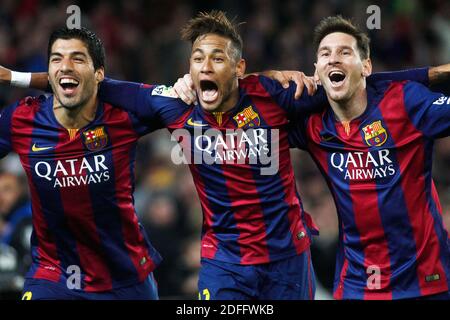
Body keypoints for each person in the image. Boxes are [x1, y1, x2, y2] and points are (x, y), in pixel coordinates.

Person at [3, 12, 446, 300]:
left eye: (218, 57)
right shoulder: (173, 105)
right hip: (225, 263)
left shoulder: (273, 94)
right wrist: (19, 78)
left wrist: (427, 74)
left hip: (287, 258)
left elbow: (349, 85)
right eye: (198, 58)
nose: (206, 65)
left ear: (238, 68)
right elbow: (94, 82)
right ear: (190, 69)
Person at [288, 16, 450, 300]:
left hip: (428, 280)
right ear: (316, 70)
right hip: (358, 284)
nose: (334, 59)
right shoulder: (313, 126)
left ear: (367, 66)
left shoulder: (405, 101)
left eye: (345, 52)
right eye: (325, 54)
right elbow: (250, 111)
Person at [0, 27, 162, 300]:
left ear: (100, 73)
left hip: (125, 277)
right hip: (53, 276)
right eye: (56, 59)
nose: (65, 66)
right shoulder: (20, 119)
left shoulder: (124, 115)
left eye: (77, 58)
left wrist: (13, 77)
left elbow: (197, 98)